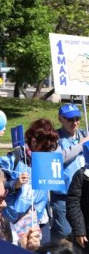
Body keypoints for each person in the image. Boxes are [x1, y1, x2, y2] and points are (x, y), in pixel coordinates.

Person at [0, 118, 58, 244]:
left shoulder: (47, 159)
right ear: (34, 141)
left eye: (50, 148)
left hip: (40, 219)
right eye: (44, 147)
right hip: (14, 220)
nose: (47, 151)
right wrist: (15, 184)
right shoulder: (14, 159)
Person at [53, 104, 89, 242]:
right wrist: (81, 145)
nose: (74, 122)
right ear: (60, 119)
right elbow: (58, 159)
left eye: (77, 118)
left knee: (82, 236)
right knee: (65, 236)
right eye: (70, 119)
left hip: (83, 194)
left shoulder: (84, 134)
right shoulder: (55, 138)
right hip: (63, 195)